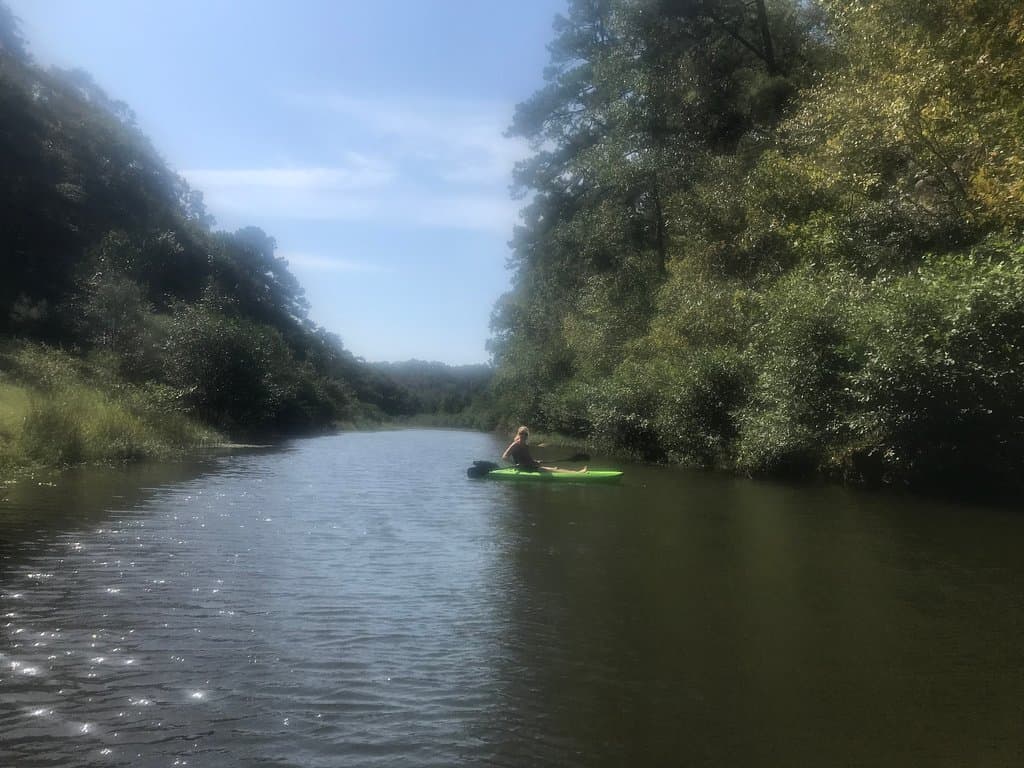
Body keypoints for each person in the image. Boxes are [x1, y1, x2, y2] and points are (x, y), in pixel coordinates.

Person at [501, 426, 588, 473]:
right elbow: (504, 457)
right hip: (523, 469)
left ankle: (576, 472)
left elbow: (527, 458)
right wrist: (515, 464)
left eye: (525, 434)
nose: (523, 435)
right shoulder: (515, 444)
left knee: (554, 468)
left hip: (530, 466)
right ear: (518, 434)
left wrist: (535, 461)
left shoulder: (525, 445)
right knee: (552, 470)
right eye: (521, 433)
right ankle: (577, 473)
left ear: (527, 435)